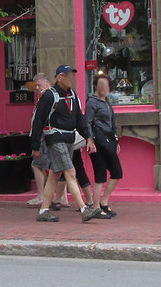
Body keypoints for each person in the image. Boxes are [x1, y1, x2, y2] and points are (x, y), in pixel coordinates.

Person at [30, 65, 102, 222]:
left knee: (55, 175)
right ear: (58, 78)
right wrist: (35, 146)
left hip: (69, 138)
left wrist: (88, 137)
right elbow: (38, 121)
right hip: (55, 138)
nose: (71, 78)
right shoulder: (49, 96)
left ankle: (43, 211)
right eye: (67, 75)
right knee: (70, 172)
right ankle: (84, 209)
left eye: (72, 75)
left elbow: (80, 120)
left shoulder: (73, 96)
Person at [86, 74, 123, 217]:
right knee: (100, 175)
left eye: (106, 85)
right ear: (96, 86)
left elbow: (112, 123)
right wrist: (90, 140)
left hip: (109, 141)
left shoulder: (107, 102)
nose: (104, 88)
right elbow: (87, 122)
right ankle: (95, 207)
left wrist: (116, 140)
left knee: (117, 172)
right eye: (101, 85)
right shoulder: (92, 102)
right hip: (97, 142)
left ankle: (104, 201)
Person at [28, 73, 52, 206]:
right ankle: (61, 198)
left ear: (46, 82)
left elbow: (39, 122)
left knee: (36, 165)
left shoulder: (46, 97)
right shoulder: (47, 97)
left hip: (44, 137)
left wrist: (35, 144)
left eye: (39, 84)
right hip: (47, 137)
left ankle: (41, 196)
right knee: (56, 169)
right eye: (35, 85)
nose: (37, 87)